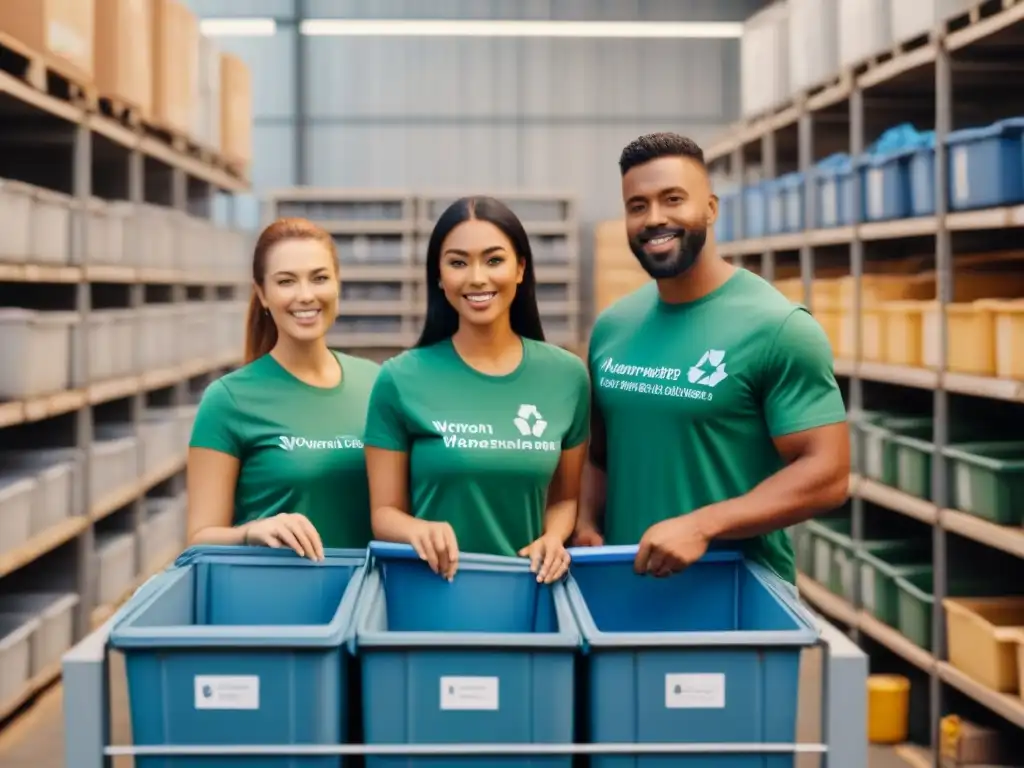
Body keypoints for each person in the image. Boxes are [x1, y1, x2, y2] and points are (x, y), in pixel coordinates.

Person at [575, 132, 850, 583]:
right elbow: (601, 457)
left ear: (711, 208)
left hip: (734, 603)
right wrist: (586, 520)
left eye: (673, 199)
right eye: (637, 206)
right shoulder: (612, 328)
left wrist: (702, 525)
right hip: (624, 592)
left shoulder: (777, 328)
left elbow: (827, 473)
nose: (654, 218)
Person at [362, 196, 590, 584]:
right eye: (458, 262)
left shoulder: (567, 376)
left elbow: (565, 498)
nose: (477, 277)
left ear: (520, 268)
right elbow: (384, 513)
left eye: (494, 260)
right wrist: (418, 531)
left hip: (530, 593)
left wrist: (553, 538)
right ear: (439, 276)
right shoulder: (399, 379)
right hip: (431, 592)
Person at [186, 217, 381, 560]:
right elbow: (198, 541)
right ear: (262, 294)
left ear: (338, 285)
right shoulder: (228, 400)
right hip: (282, 603)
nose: (305, 296)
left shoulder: (377, 384)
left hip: (370, 600)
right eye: (286, 282)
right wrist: (251, 532)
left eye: (319, 278)